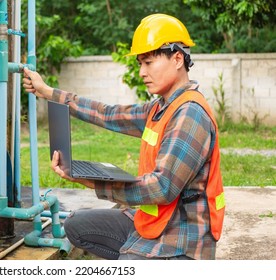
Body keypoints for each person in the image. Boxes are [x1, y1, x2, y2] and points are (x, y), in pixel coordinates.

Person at [23, 14, 225, 260]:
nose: (142, 72)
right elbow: (107, 114)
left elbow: (161, 188)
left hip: (182, 239)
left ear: (177, 59)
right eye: (140, 63)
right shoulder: (160, 108)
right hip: (155, 221)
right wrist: (48, 92)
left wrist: (96, 183)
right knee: (76, 224)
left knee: (127, 262)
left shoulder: (190, 113)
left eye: (148, 62)